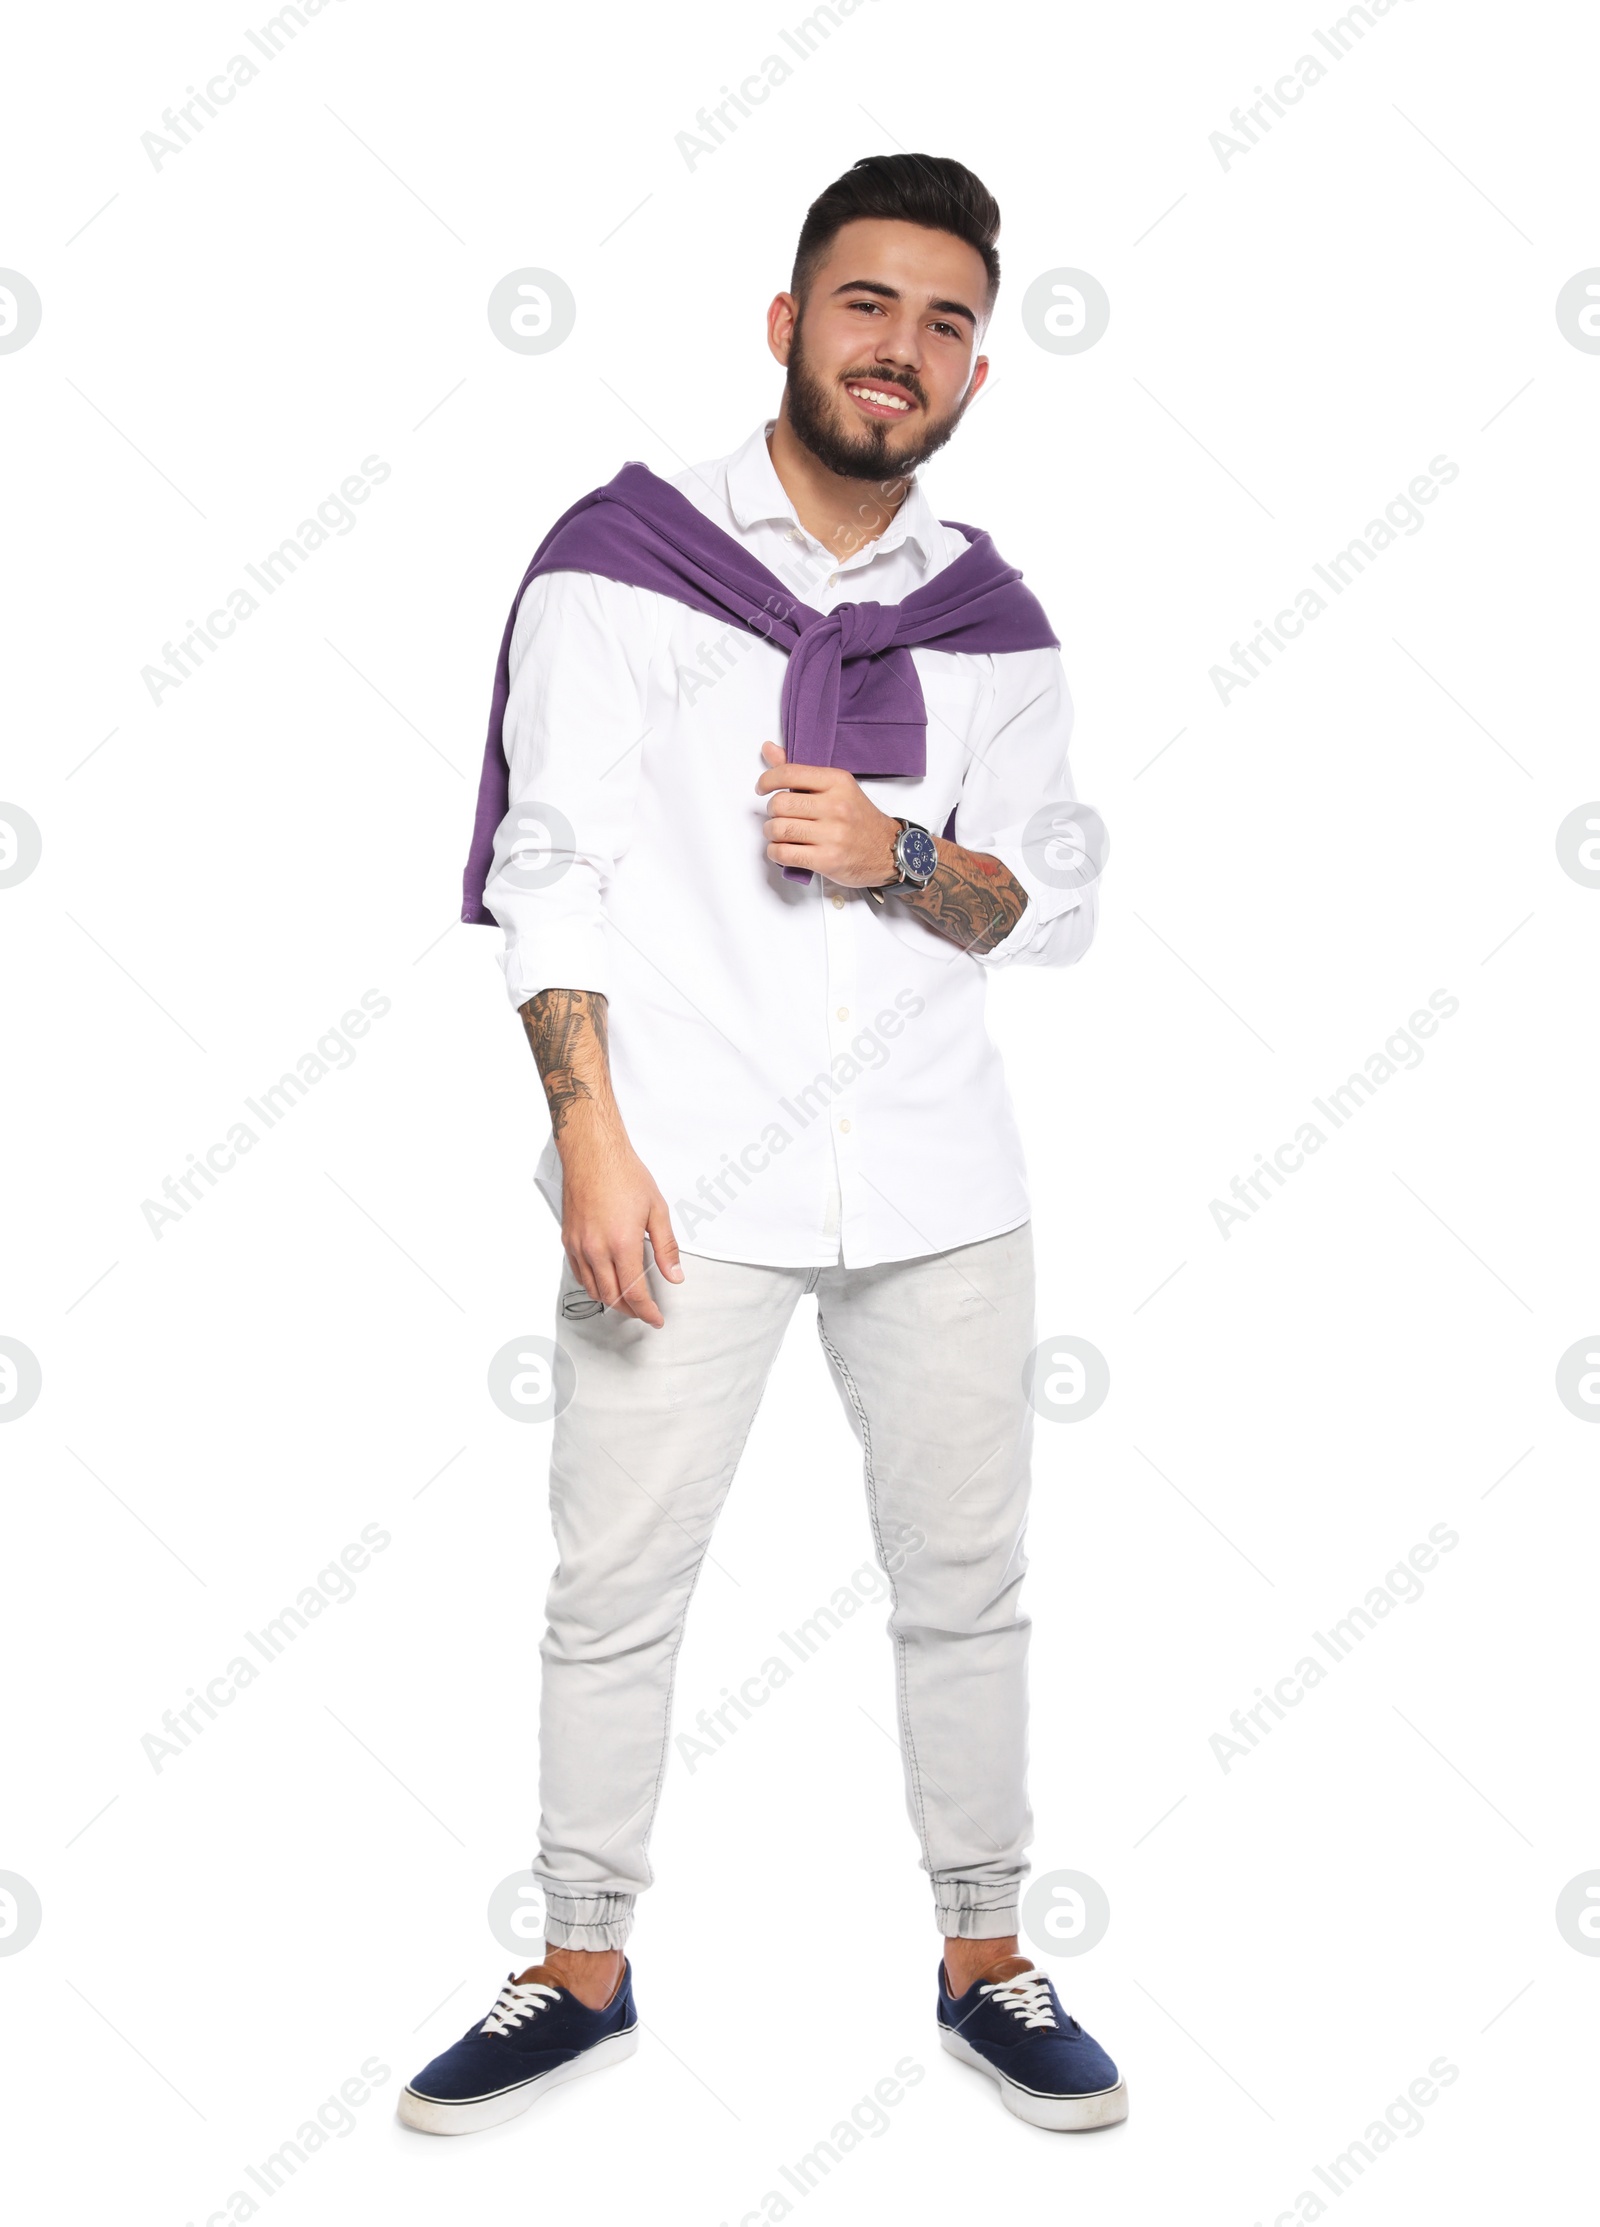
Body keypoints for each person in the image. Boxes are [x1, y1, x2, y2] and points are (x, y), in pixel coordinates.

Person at [400, 152, 1123, 2138]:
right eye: (870, 304)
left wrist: (893, 851)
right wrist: (593, 1144)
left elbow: (1050, 908)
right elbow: (548, 875)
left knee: (965, 1580)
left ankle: (987, 1951)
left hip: (936, 1185)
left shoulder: (991, 625)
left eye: (948, 323)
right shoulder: (618, 567)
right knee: (612, 1581)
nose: (904, 350)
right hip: (682, 1176)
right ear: (787, 321)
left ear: (977, 367)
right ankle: (576, 1963)